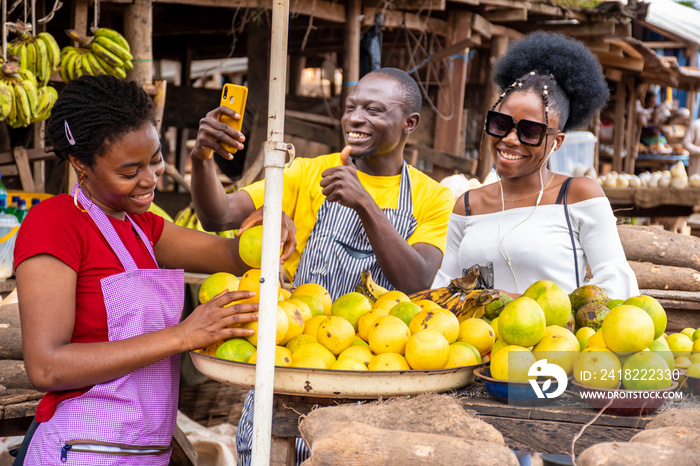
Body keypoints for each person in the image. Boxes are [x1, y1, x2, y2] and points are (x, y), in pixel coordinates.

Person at [190, 67, 454, 464]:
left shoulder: (433, 197)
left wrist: (364, 203)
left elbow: (416, 279)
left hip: (375, 384)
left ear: (408, 124)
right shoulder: (306, 173)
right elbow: (219, 215)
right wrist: (202, 157)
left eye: (375, 110)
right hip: (291, 373)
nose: (356, 118)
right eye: (351, 107)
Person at [12, 75, 277, 465]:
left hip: (146, 452)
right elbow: (47, 367)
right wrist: (182, 335)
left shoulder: (143, 227)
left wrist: (271, 225)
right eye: (129, 170)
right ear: (80, 164)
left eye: (155, 160)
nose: (150, 180)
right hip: (82, 450)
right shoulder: (55, 223)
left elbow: (237, 255)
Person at [433, 31, 639, 301]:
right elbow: (444, 288)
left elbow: (617, 289)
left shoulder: (578, 195)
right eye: (500, 124)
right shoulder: (468, 205)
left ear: (557, 141)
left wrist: (512, 301)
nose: (509, 139)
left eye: (530, 131)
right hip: (473, 342)